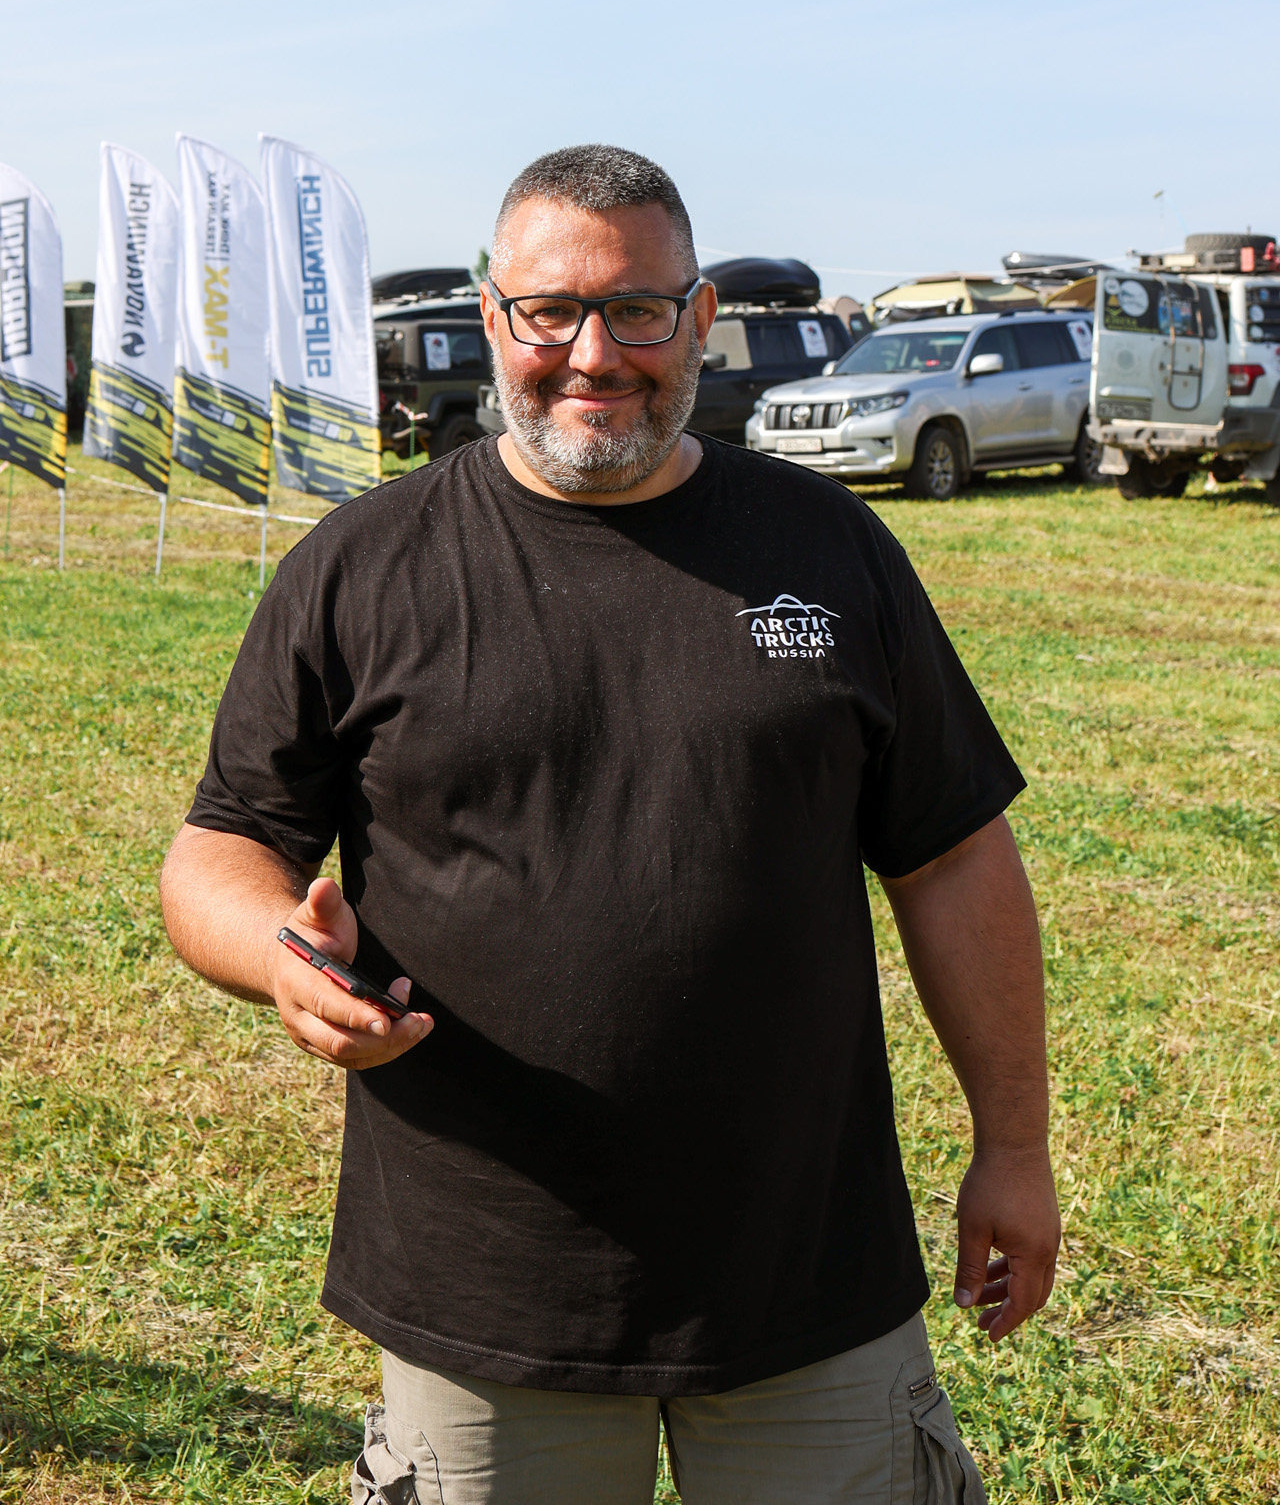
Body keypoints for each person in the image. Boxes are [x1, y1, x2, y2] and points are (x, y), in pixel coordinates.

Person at [161, 144, 1059, 1505]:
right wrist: (278, 958)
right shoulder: (362, 566)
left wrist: (1015, 1147)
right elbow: (222, 849)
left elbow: (952, 858)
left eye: (637, 309)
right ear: (492, 319)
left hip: (804, 1272)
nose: (594, 354)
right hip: (485, 1285)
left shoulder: (829, 551)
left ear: (701, 319)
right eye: (550, 311)